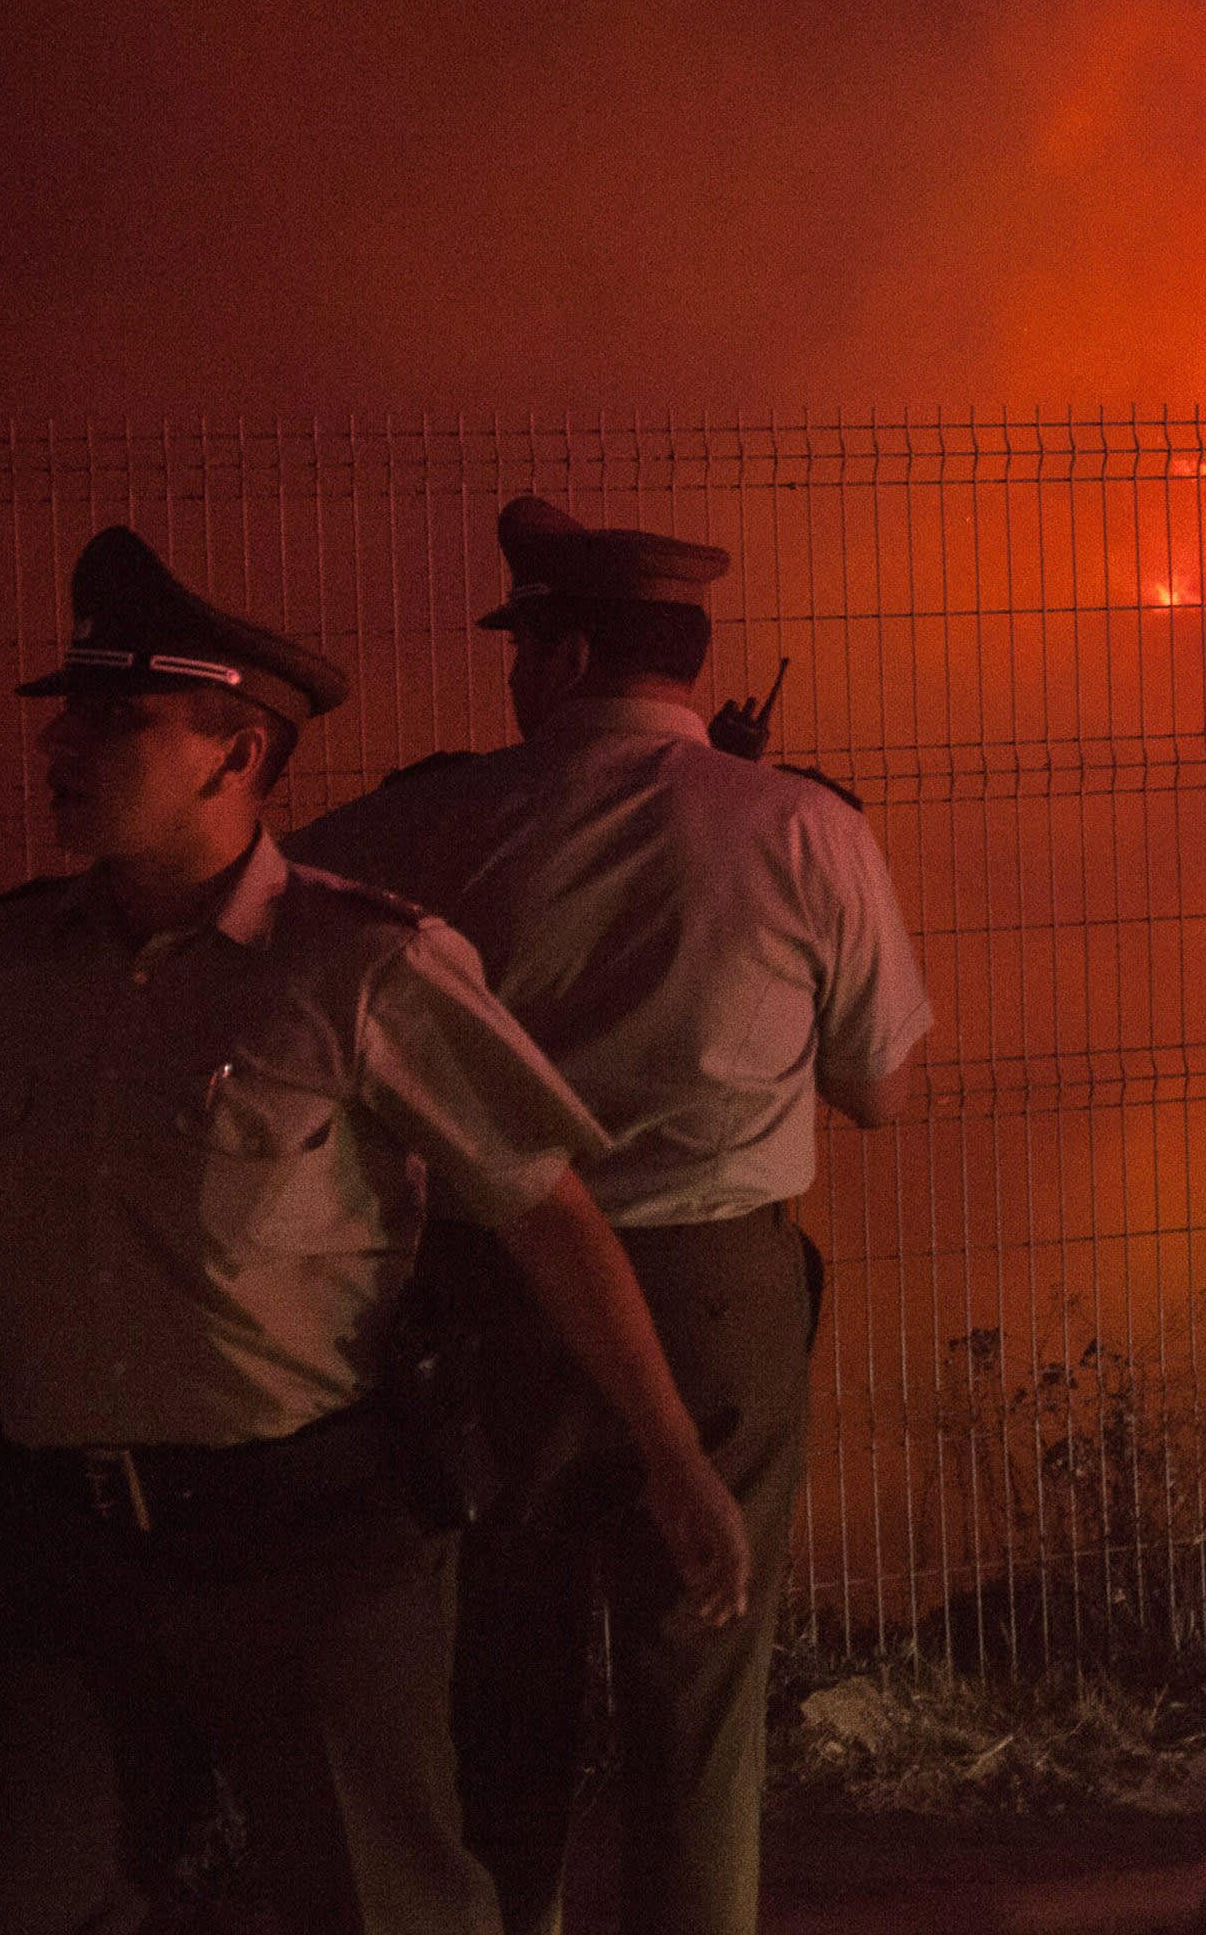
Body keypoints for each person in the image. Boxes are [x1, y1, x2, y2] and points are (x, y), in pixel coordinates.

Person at [0, 525, 753, 1935]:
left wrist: (669, 1452)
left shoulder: (363, 966)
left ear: (236, 752)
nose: (65, 744)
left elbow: (543, 1204)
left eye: (118, 716)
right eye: (68, 711)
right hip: (65, 1543)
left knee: (377, 1903)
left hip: (310, 1545)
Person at [290, 496, 931, 1935]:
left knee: (500, 1683)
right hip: (717, 1307)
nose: (512, 675)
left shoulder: (431, 817)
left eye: (523, 646)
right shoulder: (808, 829)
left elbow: (286, 941)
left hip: (491, 1293)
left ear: (566, 652)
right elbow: (882, 1090)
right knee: (696, 1692)